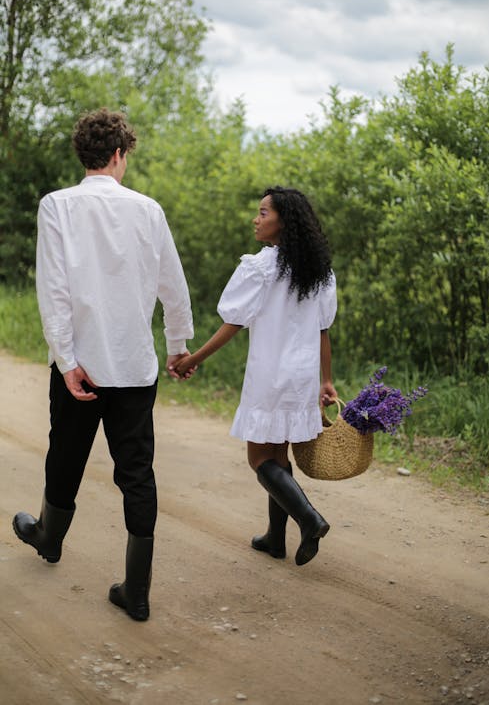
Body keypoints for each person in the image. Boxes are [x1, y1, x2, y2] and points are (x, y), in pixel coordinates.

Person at [12, 108, 193, 621]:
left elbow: (54, 291)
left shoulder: (57, 207)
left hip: (82, 367)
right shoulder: (149, 211)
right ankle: (137, 594)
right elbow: (173, 290)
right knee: (137, 473)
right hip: (135, 367)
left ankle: (48, 538)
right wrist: (177, 345)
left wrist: (67, 360)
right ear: (119, 154)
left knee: (65, 454)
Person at [174, 186, 337, 566]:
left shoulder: (261, 267)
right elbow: (323, 330)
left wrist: (192, 359)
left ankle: (309, 520)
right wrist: (326, 381)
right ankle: (275, 539)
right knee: (277, 453)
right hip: (302, 377)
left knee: (258, 458)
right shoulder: (319, 271)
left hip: (270, 374)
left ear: (284, 221)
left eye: (263, 212)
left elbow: (233, 322)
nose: (256, 219)